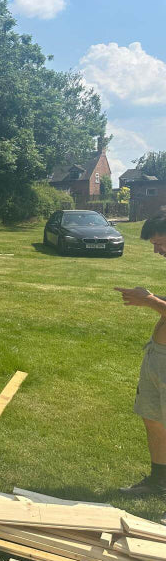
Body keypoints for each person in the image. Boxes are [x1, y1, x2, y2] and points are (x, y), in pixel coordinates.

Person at [116, 211, 166, 497]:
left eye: (160, 244)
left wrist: (150, 301)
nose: (157, 251)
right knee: (153, 419)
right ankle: (159, 482)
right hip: (157, 355)